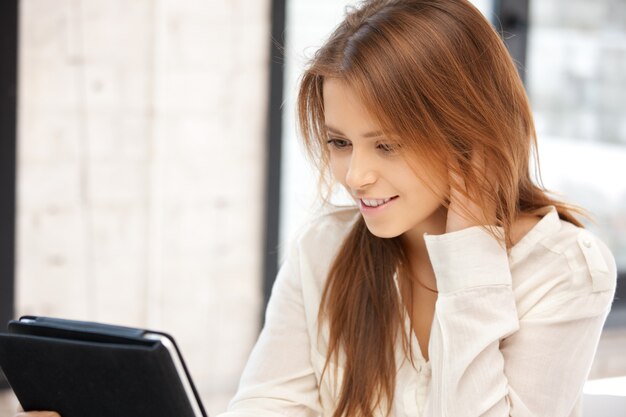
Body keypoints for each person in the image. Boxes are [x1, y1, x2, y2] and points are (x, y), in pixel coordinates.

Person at [16, 0, 617, 416]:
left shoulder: (565, 269)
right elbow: (269, 407)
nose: (355, 175)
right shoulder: (327, 247)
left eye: (387, 144)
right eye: (339, 142)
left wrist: (468, 255)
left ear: (467, 132)